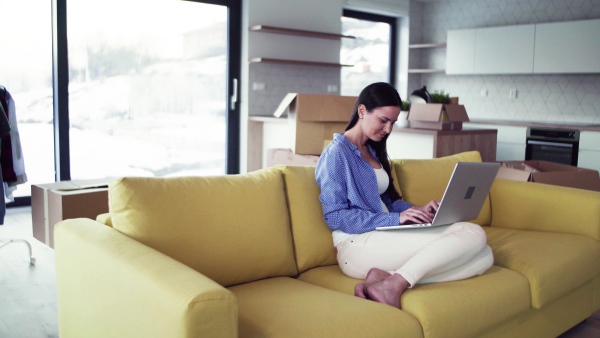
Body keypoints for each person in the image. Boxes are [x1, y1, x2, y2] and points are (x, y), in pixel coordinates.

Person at [315, 82, 493, 309]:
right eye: (383, 120)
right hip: (355, 245)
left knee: (485, 256)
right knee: (473, 233)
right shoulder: (336, 154)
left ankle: (385, 278)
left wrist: (418, 210)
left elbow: (387, 202)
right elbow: (335, 216)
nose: (388, 129)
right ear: (362, 111)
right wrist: (396, 219)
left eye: (392, 123)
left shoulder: (372, 150)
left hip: (383, 236)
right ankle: (394, 284)